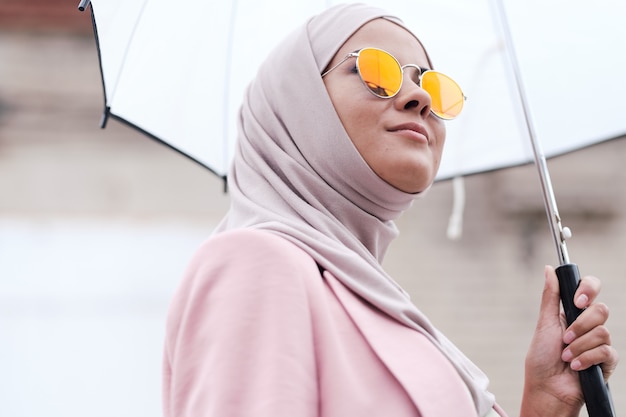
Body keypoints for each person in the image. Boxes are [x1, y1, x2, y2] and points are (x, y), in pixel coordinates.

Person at [162, 3, 618, 416]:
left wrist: (545, 403)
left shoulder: (379, 304)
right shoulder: (256, 263)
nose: (419, 99)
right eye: (377, 72)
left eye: (432, 87)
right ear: (299, 104)